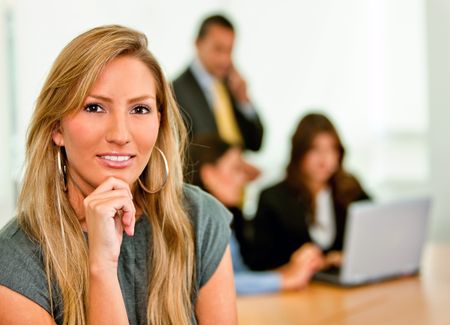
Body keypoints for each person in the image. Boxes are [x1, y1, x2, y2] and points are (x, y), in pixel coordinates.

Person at [0, 25, 237, 324]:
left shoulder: (200, 220)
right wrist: (102, 267)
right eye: (95, 107)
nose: (120, 135)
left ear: (159, 122)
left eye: (139, 109)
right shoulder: (15, 261)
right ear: (56, 127)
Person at [189, 135, 324, 295]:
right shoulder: (195, 224)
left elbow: (240, 276)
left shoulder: (224, 220)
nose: (243, 179)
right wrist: (284, 280)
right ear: (209, 174)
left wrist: (291, 270)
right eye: (236, 169)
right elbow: (218, 282)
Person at [247, 113, 370, 271]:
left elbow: (376, 233)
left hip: (340, 289)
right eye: (315, 150)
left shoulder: (350, 190)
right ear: (299, 153)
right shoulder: (274, 198)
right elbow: (259, 265)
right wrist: (297, 266)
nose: (324, 159)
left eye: (331, 149)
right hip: (292, 291)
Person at [172, 14, 264, 152]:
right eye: (218, 49)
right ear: (198, 43)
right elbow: (187, 151)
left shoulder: (232, 85)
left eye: (229, 50)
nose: (225, 59)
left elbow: (256, 143)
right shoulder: (176, 90)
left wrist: (244, 102)